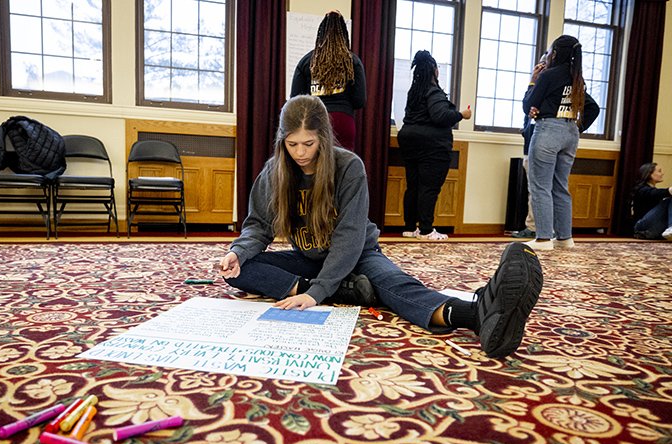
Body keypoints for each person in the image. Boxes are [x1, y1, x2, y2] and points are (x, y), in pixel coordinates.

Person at [218, 95, 544, 359]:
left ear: (324, 139)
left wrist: (316, 293)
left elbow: (348, 237)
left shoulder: (348, 167)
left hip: (358, 253)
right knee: (240, 270)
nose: (301, 153)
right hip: (309, 258)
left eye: (309, 143)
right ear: (282, 141)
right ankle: (344, 289)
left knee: (392, 284)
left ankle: (477, 315)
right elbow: (258, 226)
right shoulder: (274, 171)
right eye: (292, 144)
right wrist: (238, 251)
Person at [523, 35, 600, 251]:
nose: (547, 55)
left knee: (540, 186)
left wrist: (533, 80)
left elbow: (528, 103)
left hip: (548, 130)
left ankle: (544, 239)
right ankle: (565, 238)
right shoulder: (577, 78)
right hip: (570, 133)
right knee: (560, 187)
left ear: (555, 53)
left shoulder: (548, 75)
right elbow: (593, 109)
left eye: (548, 52)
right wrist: (576, 128)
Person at [396, 50, 471, 241]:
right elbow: (440, 116)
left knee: (413, 186)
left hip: (409, 139)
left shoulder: (414, 92)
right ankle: (427, 230)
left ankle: (410, 227)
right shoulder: (434, 91)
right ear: (435, 71)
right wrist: (461, 114)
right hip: (432, 145)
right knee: (429, 187)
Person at [290, 10, 366, 152]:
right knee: (344, 167)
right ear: (344, 33)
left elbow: (295, 99)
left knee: (316, 167)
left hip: (315, 120)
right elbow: (359, 101)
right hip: (344, 121)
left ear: (321, 32)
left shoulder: (306, 61)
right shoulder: (353, 61)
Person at [513, 54, 547, 240]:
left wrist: (533, 81)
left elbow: (528, 104)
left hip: (539, 147)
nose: (539, 67)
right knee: (535, 189)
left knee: (537, 190)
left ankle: (534, 227)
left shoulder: (548, 84)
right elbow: (529, 112)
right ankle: (537, 227)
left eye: (543, 63)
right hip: (530, 144)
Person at [631, 162, 672, 240]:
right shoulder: (641, 190)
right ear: (650, 174)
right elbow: (655, 193)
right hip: (642, 228)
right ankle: (671, 227)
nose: (662, 174)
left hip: (653, 228)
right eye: (659, 171)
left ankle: (670, 229)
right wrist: (668, 191)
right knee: (669, 200)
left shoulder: (650, 190)